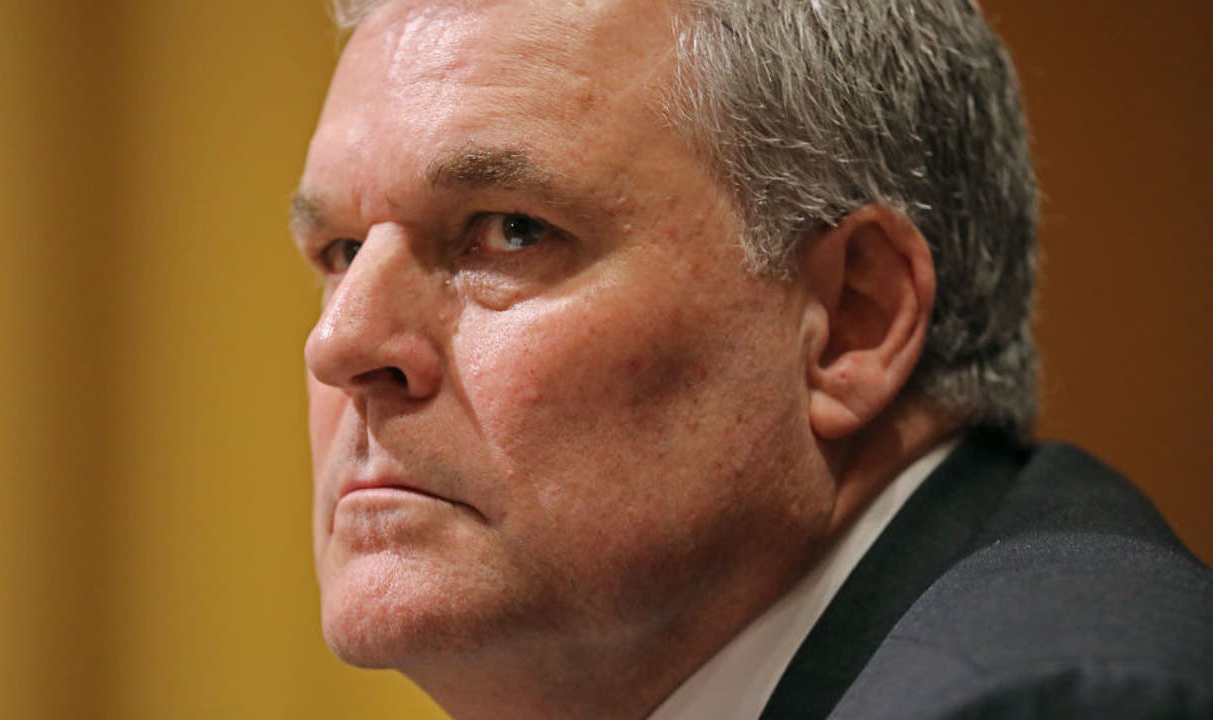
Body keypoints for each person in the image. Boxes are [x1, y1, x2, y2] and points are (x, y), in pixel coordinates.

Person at [288, 0, 1213, 717]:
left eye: (511, 231)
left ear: (851, 322)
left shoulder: (1038, 701)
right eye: (342, 251)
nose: (340, 344)